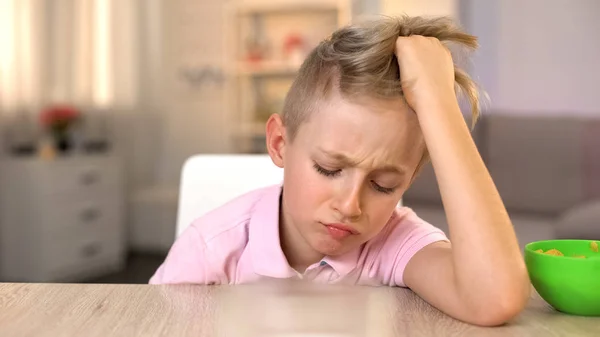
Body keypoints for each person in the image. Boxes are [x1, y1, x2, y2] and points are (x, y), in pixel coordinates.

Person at [150, 16, 530, 326]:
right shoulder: (211, 249)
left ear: (409, 180)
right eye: (329, 169)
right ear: (280, 143)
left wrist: (437, 101)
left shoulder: (393, 243)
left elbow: (494, 298)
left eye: (383, 185)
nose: (351, 206)